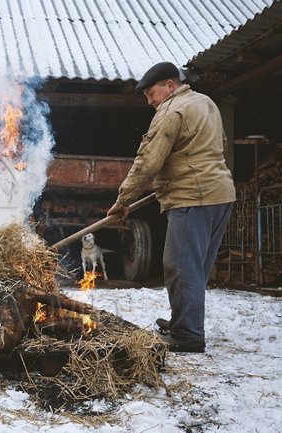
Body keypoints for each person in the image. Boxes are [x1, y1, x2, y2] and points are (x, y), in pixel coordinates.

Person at [107, 61, 236, 353]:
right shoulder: (206, 103)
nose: (151, 102)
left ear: (170, 85)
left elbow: (148, 161)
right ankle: (183, 322)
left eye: (152, 93)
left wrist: (123, 199)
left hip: (193, 198)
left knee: (181, 266)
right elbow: (214, 147)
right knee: (196, 267)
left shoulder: (171, 111)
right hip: (220, 195)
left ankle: (188, 334)